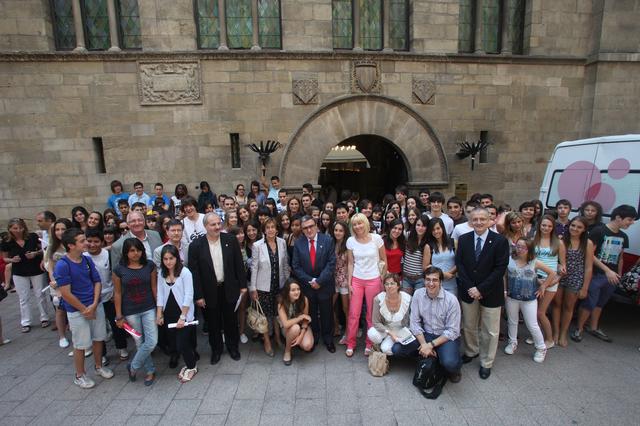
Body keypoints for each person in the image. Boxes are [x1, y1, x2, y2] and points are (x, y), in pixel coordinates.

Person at [54, 228, 114, 389]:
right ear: (70, 245)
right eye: (82, 241)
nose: (86, 243)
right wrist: (84, 309)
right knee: (80, 344)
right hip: (77, 311)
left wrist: (94, 304)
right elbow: (65, 293)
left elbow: (97, 281)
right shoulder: (63, 265)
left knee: (99, 338)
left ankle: (98, 366)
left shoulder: (86, 260)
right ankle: (79, 375)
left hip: (95, 306)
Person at [455, 207, 509, 380]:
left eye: (482, 219)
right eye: (475, 219)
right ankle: (471, 351)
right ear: (471, 221)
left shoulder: (500, 241)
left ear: (489, 221)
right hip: (468, 291)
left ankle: (486, 362)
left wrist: (481, 289)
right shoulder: (464, 239)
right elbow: (460, 264)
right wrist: (471, 287)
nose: (478, 222)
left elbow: (500, 268)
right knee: (469, 326)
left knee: (490, 330)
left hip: (491, 292)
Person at [189, 213, 247, 364]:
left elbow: (238, 264)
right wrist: (198, 295)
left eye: (218, 223)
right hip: (208, 291)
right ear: (205, 226)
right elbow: (194, 273)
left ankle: (233, 347)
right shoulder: (196, 245)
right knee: (213, 323)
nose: (217, 227)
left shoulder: (230, 240)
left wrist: (242, 286)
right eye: (212, 224)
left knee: (231, 321)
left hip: (229, 288)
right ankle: (216, 350)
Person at [573, 204, 636, 343]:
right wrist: (607, 271)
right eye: (629, 219)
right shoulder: (599, 231)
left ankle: (594, 327)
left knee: (601, 303)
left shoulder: (623, 236)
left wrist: (618, 274)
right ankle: (579, 329)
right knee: (590, 302)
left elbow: (620, 257)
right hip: (596, 273)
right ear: (618, 217)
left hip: (612, 277)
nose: (631, 223)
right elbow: (590, 254)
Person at [401, 267, 462, 382]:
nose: (431, 283)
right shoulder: (418, 294)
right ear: (424, 281)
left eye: (435, 280)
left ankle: (452, 366)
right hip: (426, 334)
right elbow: (414, 322)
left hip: (445, 337)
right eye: (428, 279)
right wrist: (424, 344)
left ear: (441, 282)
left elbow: (453, 331)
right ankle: (428, 355)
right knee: (398, 348)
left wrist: (431, 345)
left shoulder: (451, 300)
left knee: (450, 363)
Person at [113, 238, 158, 386]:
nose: (135, 253)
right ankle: (150, 371)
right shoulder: (119, 270)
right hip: (130, 311)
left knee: (152, 341)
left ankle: (133, 366)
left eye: (138, 250)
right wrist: (119, 315)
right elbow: (117, 293)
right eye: (132, 250)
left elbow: (154, 287)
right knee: (139, 342)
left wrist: (159, 308)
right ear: (126, 252)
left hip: (149, 307)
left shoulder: (149, 265)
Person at [504, 238, 557, 363]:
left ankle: (541, 348)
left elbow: (552, 273)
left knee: (532, 324)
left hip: (529, 299)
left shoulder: (535, 262)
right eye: (518, 246)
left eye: (524, 247)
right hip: (512, 296)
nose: (520, 249)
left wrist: (543, 286)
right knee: (512, 321)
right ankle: (512, 342)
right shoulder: (509, 259)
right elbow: (504, 276)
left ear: (529, 249)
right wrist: (505, 290)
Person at [292, 215, 337, 353]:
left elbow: (331, 263)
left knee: (326, 313)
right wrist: (311, 281)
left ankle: (328, 339)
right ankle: (315, 336)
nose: (309, 230)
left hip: (324, 285)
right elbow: (296, 266)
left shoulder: (327, 240)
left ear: (316, 226)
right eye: (305, 228)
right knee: (311, 312)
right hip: (308, 286)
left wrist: (319, 281)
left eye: (311, 226)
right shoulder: (298, 243)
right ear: (302, 230)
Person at [344, 213, 387, 357]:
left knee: (371, 314)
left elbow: (384, 260)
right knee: (353, 314)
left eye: (360, 223)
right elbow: (350, 263)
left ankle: (370, 343)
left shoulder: (376, 238)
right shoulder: (350, 241)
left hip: (373, 279)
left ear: (366, 223)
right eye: (355, 224)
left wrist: (382, 279)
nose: (358, 226)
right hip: (357, 279)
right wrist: (349, 282)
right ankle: (351, 343)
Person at [84, 229, 129, 363]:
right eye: (89, 241)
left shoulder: (108, 255)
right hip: (92, 299)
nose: (93, 244)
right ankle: (101, 353)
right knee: (97, 327)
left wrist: (116, 292)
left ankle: (121, 347)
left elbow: (115, 274)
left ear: (102, 242)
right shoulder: (83, 257)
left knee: (116, 322)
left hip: (110, 295)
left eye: (96, 241)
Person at [156, 245, 198, 382]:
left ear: (177, 258)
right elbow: (160, 294)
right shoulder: (161, 273)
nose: (168, 262)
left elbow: (189, 295)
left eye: (171, 258)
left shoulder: (185, 272)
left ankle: (192, 367)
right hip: (169, 313)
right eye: (165, 259)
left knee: (182, 343)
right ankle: (188, 364)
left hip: (183, 314)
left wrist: (183, 317)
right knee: (173, 342)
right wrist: (159, 314)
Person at [249, 218, 290, 357]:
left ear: (277, 229)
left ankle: (277, 338)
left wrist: (287, 284)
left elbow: (285, 264)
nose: (271, 230)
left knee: (277, 313)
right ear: (264, 230)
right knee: (265, 316)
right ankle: (267, 341)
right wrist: (253, 288)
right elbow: (254, 268)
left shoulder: (282, 242)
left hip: (279, 285)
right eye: (268, 227)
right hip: (263, 287)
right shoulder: (257, 246)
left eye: (273, 227)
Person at [1, 218, 50, 333]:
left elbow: (44, 249)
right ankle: (25, 321)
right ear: (10, 229)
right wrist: (12, 260)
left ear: (24, 228)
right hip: (19, 271)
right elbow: (4, 258)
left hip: (36, 269)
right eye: (15, 228)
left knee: (40, 294)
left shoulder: (32, 237)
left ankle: (44, 317)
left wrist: (35, 253)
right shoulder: (7, 242)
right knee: (23, 297)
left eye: (20, 228)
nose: (18, 230)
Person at [555, 216, 594, 347]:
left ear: (584, 229)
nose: (575, 229)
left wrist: (585, 287)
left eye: (579, 227)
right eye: (573, 225)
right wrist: (559, 266)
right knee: (556, 304)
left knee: (568, 307)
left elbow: (588, 267)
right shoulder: (561, 240)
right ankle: (555, 332)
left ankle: (563, 333)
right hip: (559, 276)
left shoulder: (587, 243)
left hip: (576, 278)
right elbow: (553, 259)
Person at [532, 215, 566, 347]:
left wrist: (555, 280)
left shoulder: (559, 243)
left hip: (551, 281)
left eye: (549, 226)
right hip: (535, 279)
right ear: (539, 226)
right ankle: (537, 336)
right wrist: (536, 279)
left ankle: (549, 339)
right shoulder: (534, 240)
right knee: (533, 311)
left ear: (553, 228)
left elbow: (563, 266)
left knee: (541, 312)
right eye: (544, 225)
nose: (546, 228)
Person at [367, 273, 412, 356]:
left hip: (401, 330)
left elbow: (412, 320)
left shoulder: (407, 298)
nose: (389, 286)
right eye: (386, 284)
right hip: (386, 329)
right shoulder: (378, 299)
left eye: (392, 283)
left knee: (386, 349)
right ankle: (380, 343)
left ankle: (388, 346)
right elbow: (375, 322)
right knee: (372, 333)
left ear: (398, 285)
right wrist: (390, 333)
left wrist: (405, 333)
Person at [44, 218, 73, 347]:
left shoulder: (74, 243)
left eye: (63, 229)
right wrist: (54, 281)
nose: (60, 232)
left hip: (73, 281)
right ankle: (62, 336)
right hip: (57, 283)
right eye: (57, 229)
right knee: (60, 310)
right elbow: (50, 267)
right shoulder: (52, 247)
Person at [278, 279, 314, 365]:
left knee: (307, 346)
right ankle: (287, 350)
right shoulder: (281, 303)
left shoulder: (304, 299)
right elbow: (286, 324)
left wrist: (301, 336)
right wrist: (300, 317)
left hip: (302, 326)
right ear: (287, 292)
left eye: (298, 289)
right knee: (295, 328)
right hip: (288, 329)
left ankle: (296, 341)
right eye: (293, 290)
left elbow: (305, 321)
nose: (297, 292)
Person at [425, 217, 457, 296]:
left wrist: (449, 273)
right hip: (434, 285)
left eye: (438, 228)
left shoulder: (453, 242)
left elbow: (460, 262)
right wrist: (443, 274)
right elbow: (425, 266)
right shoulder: (428, 246)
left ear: (442, 228)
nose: (436, 231)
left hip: (451, 283)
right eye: (433, 230)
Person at [332, 220, 350, 345]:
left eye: (341, 231)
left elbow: (350, 265)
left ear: (345, 232)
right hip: (333, 279)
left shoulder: (348, 245)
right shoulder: (331, 244)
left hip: (344, 280)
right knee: (330, 305)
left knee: (346, 308)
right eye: (336, 230)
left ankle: (349, 333)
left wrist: (350, 282)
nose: (337, 233)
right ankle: (336, 326)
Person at [402, 215, 429, 295]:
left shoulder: (428, 242)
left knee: (418, 301)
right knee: (406, 300)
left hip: (419, 279)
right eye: (418, 225)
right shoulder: (408, 235)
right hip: (406, 278)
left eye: (423, 226)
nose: (420, 228)